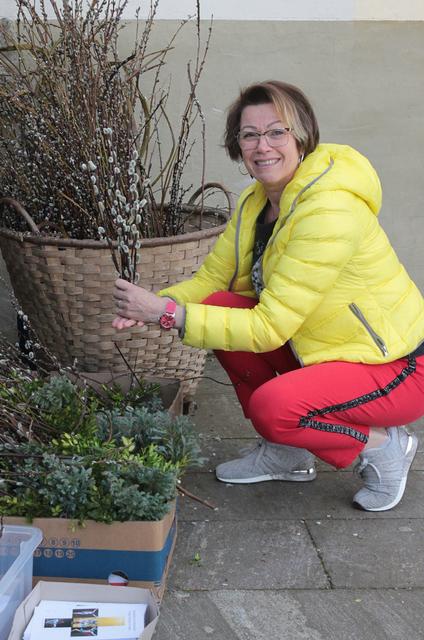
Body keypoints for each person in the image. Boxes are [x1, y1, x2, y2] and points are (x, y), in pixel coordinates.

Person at [113, 80, 424, 512]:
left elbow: (268, 328)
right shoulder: (255, 202)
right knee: (220, 307)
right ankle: (287, 454)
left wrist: (168, 314)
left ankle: (384, 446)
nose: (264, 146)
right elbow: (211, 283)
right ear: (237, 146)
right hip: (326, 350)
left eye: (277, 131)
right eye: (250, 135)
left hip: (397, 369)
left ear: (302, 137)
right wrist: (153, 303)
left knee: (274, 407)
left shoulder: (328, 211)